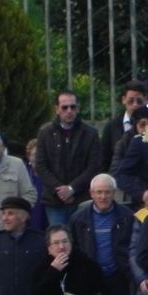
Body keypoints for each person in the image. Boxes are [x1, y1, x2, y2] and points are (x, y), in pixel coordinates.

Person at [34, 90, 103, 225]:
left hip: (82, 198)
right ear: (57, 110)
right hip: (54, 201)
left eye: (73, 107)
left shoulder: (90, 134)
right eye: (65, 107)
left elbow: (94, 166)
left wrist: (72, 189)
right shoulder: (45, 133)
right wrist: (60, 190)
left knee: (84, 241)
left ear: (78, 108)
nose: (69, 111)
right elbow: (41, 166)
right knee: (59, 241)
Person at [100, 80, 147, 169]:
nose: (135, 105)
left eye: (139, 101)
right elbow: (104, 159)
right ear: (123, 100)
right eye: (131, 101)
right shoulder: (111, 126)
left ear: (145, 100)